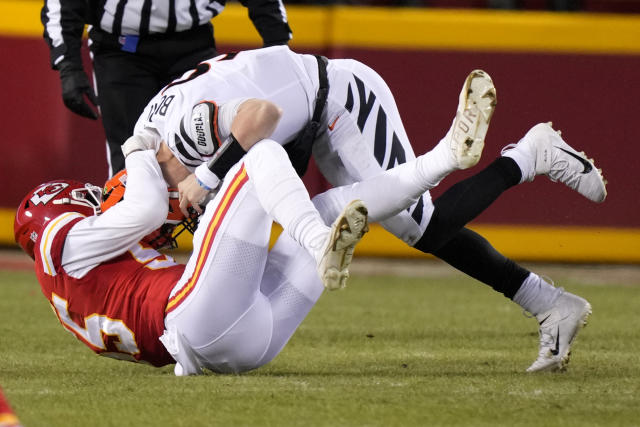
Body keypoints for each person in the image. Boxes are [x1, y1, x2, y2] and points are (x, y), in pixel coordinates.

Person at [128, 45, 606, 372]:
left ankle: (528, 155)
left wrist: (205, 178)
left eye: (170, 199)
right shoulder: (150, 131)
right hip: (309, 121)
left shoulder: (183, 136)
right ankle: (550, 304)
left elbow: (262, 116)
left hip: (337, 103)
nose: (178, 208)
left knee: (426, 226)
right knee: (417, 228)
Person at [14, 135, 370, 375]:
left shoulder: (67, 288)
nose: (97, 204)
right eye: (87, 201)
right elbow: (146, 210)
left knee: (327, 209)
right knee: (262, 154)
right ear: (55, 210)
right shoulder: (59, 245)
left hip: (227, 347)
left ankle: (428, 168)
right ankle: (318, 239)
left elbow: (126, 282)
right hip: (190, 311)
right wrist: (138, 149)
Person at [41, 0, 292, 177]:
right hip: (121, 50)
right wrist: (68, 65)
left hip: (192, 44)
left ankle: (213, 245)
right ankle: (132, 248)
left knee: (211, 147)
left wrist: (278, 47)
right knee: (132, 156)